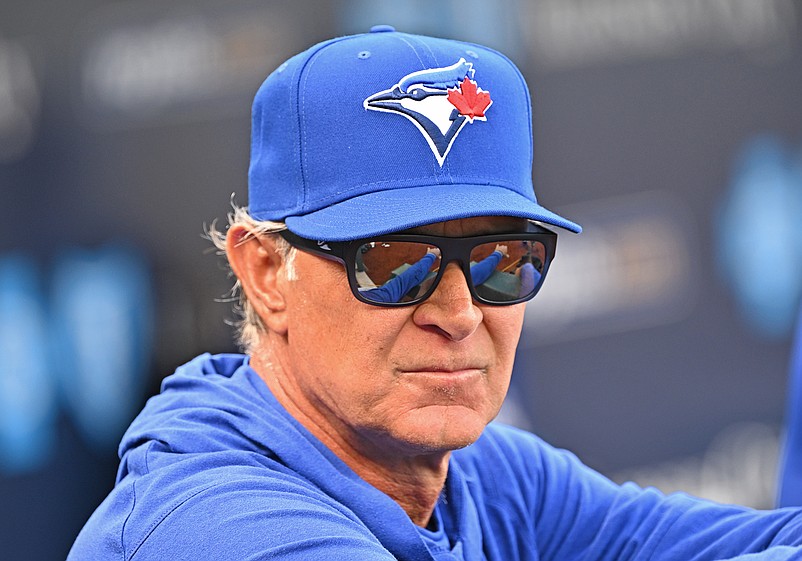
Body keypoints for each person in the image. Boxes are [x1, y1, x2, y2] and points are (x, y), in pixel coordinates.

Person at [69, 27, 802, 560]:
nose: (458, 313)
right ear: (267, 273)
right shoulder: (213, 524)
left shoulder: (485, 477)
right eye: (396, 263)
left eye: (502, 260)